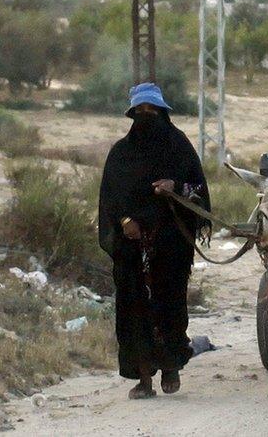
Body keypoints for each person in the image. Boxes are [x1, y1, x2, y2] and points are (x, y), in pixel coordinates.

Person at [98, 83, 210, 400]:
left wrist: (175, 187)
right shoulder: (121, 153)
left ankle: (171, 367)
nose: (147, 116)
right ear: (133, 114)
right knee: (133, 310)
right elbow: (110, 198)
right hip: (131, 248)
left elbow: (199, 190)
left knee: (170, 305)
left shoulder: (179, 147)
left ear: (162, 113)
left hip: (170, 244)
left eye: (152, 111)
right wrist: (125, 222)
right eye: (141, 112)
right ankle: (144, 376)